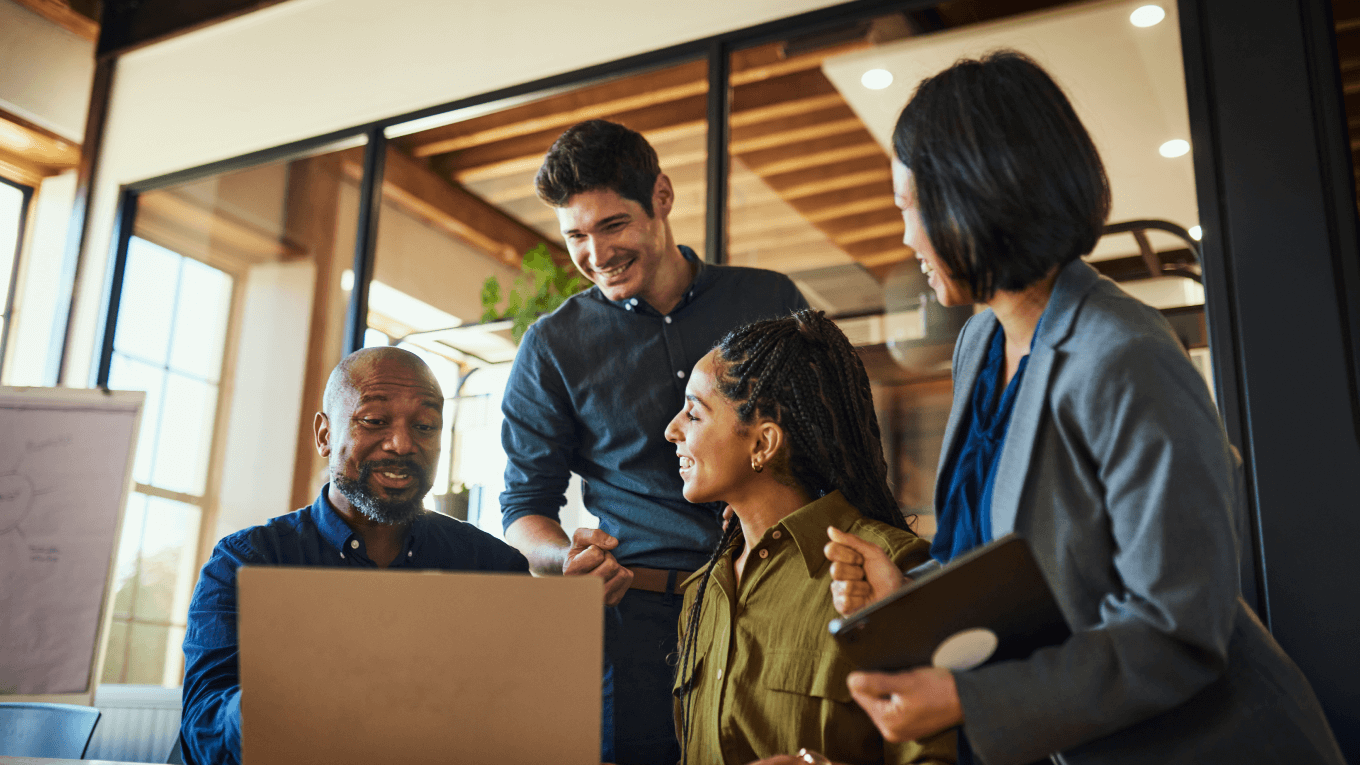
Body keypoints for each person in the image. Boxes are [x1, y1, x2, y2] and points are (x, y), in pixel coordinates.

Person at [823, 51, 1345, 765]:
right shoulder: (981, 340)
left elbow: (1176, 628)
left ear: (974, 195)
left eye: (910, 210)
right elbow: (1022, 560)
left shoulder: (1125, 353)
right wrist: (906, 595)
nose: (907, 239)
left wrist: (968, 700)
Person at [500, 119, 807, 764]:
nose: (596, 254)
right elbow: (523, 510)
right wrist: (566, 562)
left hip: (777, 601)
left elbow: (829, 445)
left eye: (613, 226)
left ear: (662, 198)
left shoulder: (769, 299)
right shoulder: (551, 348)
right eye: (576, 235)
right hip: (639, 627)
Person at [180, 347, 530, 765]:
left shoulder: (491, 568)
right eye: (375, 421)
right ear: (325, 435)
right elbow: (203, 731)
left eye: (425, 425)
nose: (402, 444)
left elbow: (522, 721)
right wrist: (279, 697)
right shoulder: (245, 563)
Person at [664, 310, 955, 765]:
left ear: (763, 444)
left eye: (694, 413)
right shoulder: (703, 591)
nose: (672, 430)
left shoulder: (885, 568)